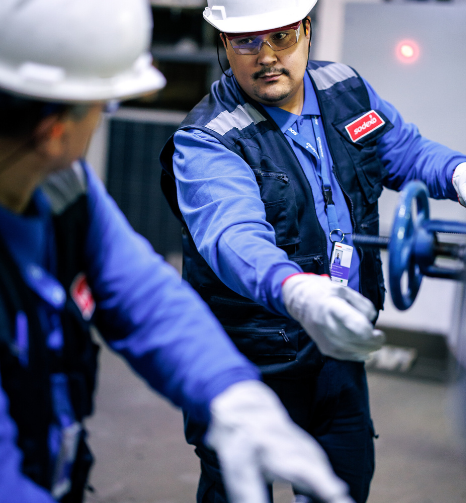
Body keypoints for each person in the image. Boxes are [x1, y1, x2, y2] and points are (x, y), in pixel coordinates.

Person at [0, 1, 357, 503]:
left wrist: (229, 390)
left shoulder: (64, 188)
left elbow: (143, 294)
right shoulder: (205, 138)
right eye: (107, 105)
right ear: (55, 131)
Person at [159, 0, 466, 502]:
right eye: (247, 40)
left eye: (282, 36)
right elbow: (234, 237)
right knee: (238, 489)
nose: (266, 55)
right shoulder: (209, 139)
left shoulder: (344, 88)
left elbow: (403, 151)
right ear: (225, 44)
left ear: (307, 30)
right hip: (249, 360)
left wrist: (460, 173)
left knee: (343, 483)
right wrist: (296, 290)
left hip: (335, 352)